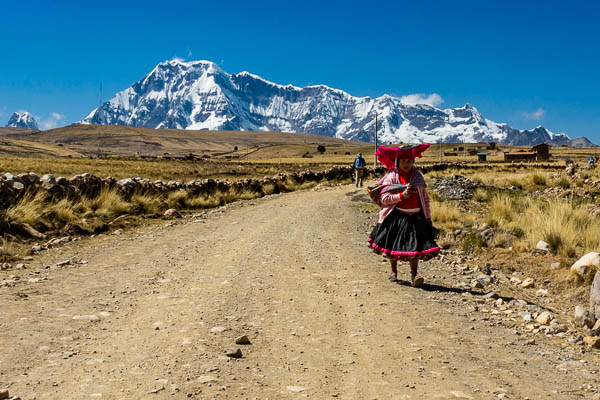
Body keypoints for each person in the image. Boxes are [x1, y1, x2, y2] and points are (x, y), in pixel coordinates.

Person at [367, 144, 440, 287]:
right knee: (392, 247)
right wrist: (401, 196)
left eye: (409, 161)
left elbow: (425, 198)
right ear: (397, 162)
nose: (407, 164)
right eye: (404, 161)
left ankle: (414, 276)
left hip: (416, 217)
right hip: (396, 217)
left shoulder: (417, 178)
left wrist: (428, 217)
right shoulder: (391, 177)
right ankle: (393, 271)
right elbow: (384, 199)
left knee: (415, 249)